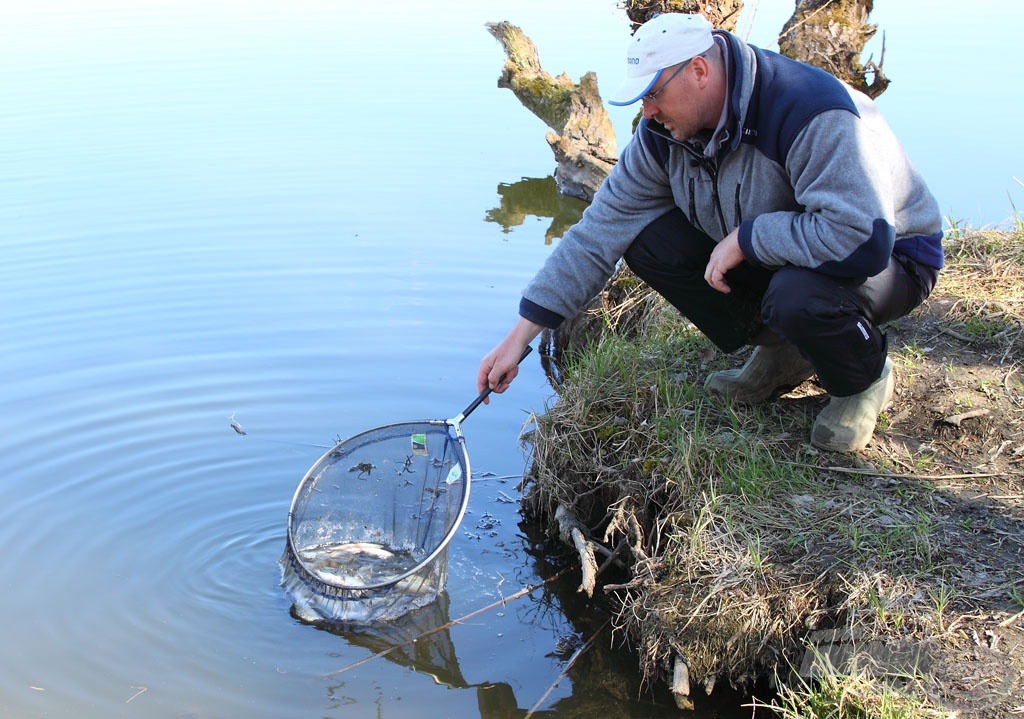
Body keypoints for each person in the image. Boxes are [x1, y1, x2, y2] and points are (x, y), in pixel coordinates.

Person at [477, 12, 943, 452]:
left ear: (699, 70)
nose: (648, 111)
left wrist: (748, 238)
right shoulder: (664, 135)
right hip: (796, 255)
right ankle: (785, 351)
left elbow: (860, 238)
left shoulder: (808, 111)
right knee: (646, 240)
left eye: (654, 94)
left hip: (891, 257)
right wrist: (520, 336)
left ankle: (863, 376)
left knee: (797, 295)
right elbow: (598, 233)